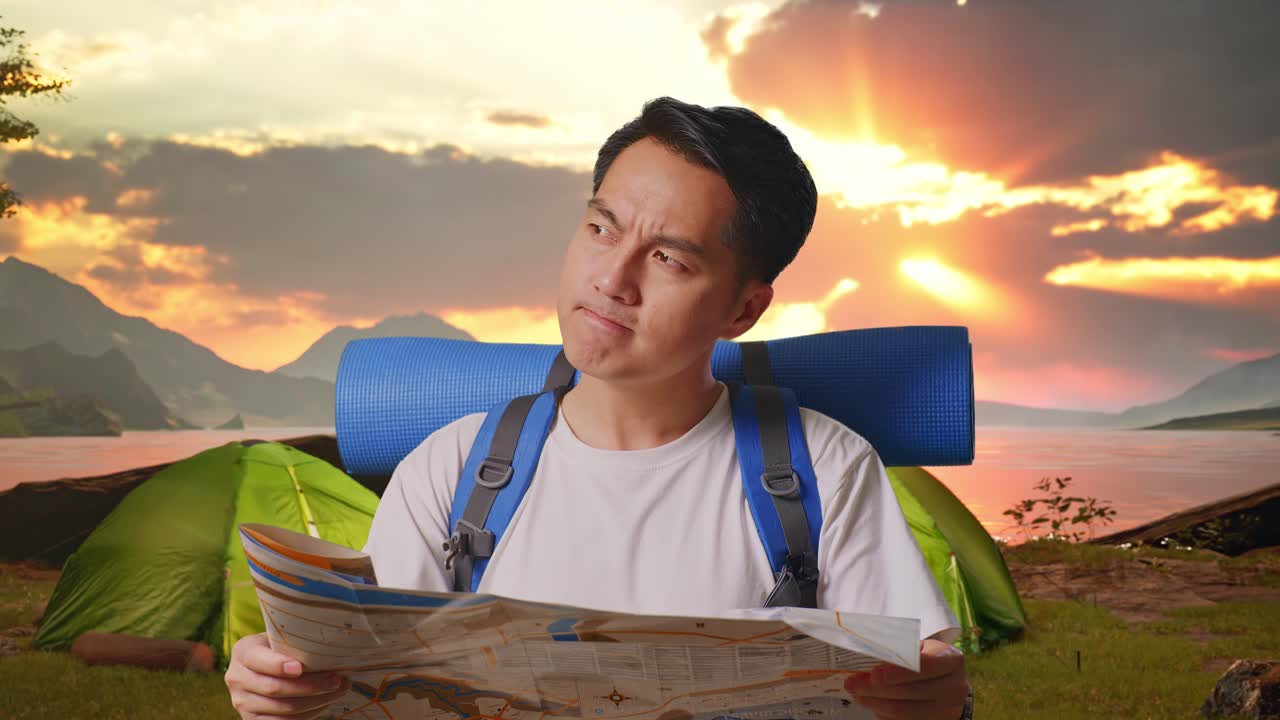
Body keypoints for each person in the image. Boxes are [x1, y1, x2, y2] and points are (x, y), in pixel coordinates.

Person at [225, 97, 972, 720]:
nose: (612, 278)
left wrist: (939, 702)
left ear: (744, 308)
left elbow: (921, 686)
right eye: (600, 227)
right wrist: (285, 691)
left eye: (670, 258)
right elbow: (368, 695)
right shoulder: (452, 470)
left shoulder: (824, 470)